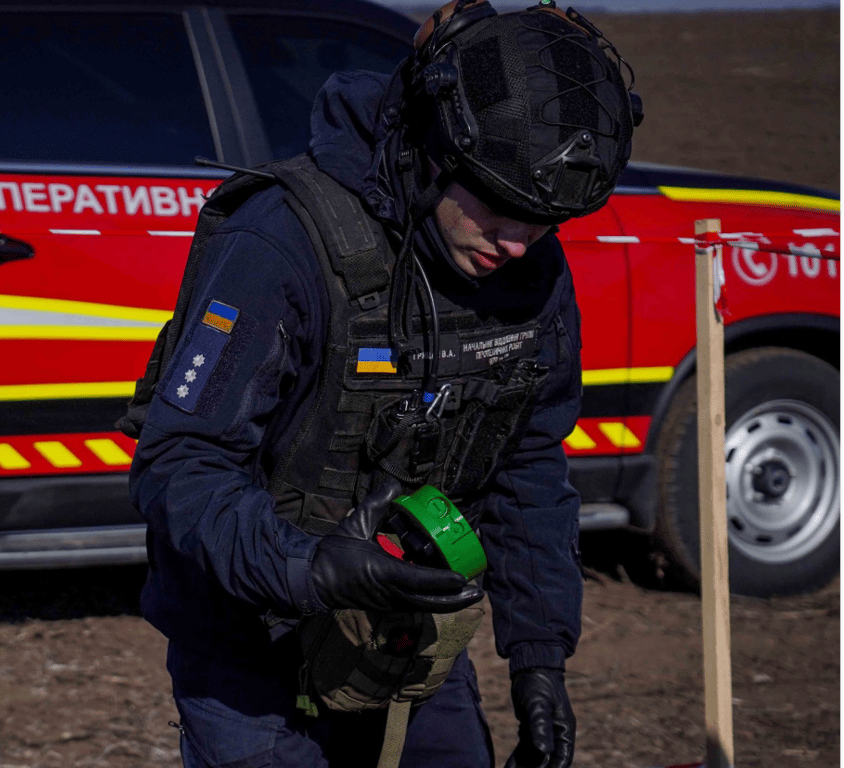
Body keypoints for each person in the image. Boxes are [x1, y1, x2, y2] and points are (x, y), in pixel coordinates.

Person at [122, 1, 641, 766]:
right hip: (250, 640)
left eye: (544, 224)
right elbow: (179, 466)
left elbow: (527, 461)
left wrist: (539, 659)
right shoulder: (281, 240)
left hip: (406, 630)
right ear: (435, 148)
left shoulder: (524, 260)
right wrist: (312, 567)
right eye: (501, 210)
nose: (517, 243)